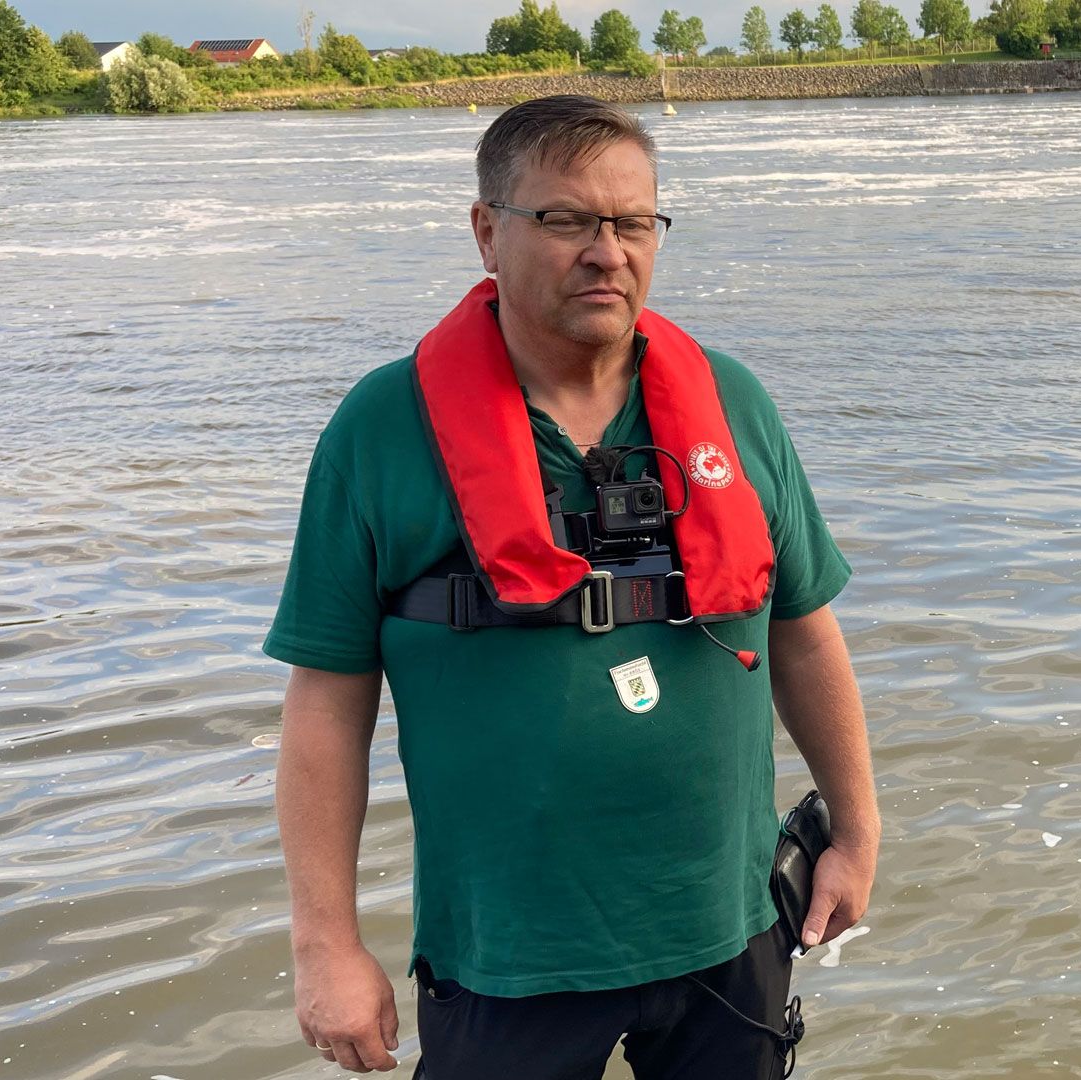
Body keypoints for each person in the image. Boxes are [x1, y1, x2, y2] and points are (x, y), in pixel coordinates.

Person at [266, 95, 879, 1078]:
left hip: (727, 930)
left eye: (634, 222)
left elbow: (802, 632)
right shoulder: (380, 430)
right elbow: (327, 701)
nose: (607, 252)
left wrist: (856, 830)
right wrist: (324, 944)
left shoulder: (734, 403)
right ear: (486, 232)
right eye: (567, 220)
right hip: (510, 958)